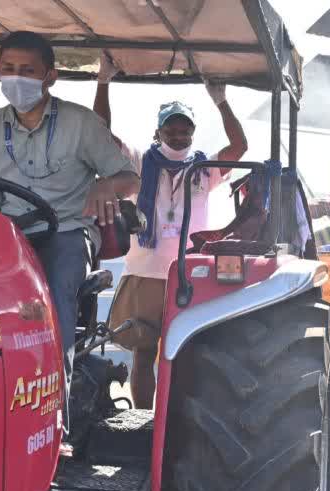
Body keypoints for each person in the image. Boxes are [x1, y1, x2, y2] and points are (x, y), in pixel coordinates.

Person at [0, 31, 139, 437]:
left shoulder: (80, 123)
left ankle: (53, 418)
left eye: (27, 71)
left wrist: (104, 186)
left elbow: (128, 178)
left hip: (67, 230)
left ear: (50, 76)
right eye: (8, 69)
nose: (17, 78)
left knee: (54, 292)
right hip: (9, 237)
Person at [93, 60, 247, 408]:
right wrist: (103, 82)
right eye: (171, 130)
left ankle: (174, 425)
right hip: (145, 275)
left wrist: (221, 100)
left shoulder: (204, 168)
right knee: (144, 355)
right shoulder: (137, 162)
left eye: (185, 130)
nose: (178, 136)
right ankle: (145, 425)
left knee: (186, 357)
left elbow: (239, 148)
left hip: (188, 276)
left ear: (193, 132)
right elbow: (99, 134)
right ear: (158, 132)